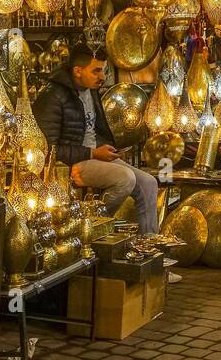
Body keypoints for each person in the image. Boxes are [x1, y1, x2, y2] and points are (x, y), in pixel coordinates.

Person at [32, 44, 160, 235]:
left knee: (149, 182)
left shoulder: (90, 90)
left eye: (104, 70)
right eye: (96, 71)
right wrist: (92, 152)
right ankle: (90, 228)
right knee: (125, 179)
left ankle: (149, 242)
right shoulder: (52, 96)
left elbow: (93, 130)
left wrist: (108, 150)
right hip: (70, 164)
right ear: (77, 70)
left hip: (94, 156)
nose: (102, 77)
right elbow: (48, 150)